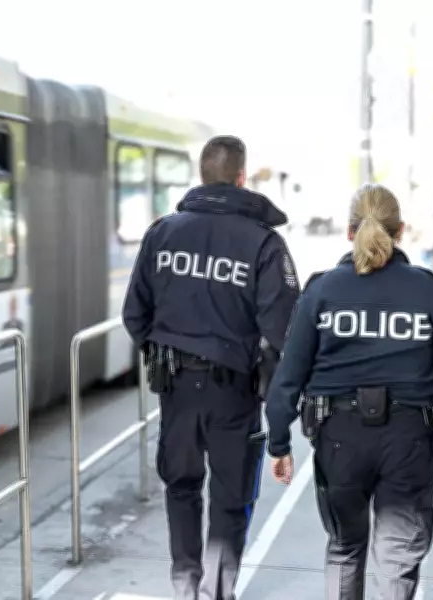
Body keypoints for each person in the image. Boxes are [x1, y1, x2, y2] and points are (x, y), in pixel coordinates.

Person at [265, 183, 433, 600]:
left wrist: (279, 443)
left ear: (349, 233)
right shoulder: (427, 290)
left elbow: (288, 376)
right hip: (409, 441)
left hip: (339, 440)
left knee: (346, 549)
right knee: (396, 560)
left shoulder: (322, 291)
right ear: (400, 230)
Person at [122, 135, 300, 600]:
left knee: (181, 487)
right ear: (242, 178)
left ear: (201, 177)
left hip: (175, 389)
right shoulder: (264, 243)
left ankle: (185, 588)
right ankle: (217, 593)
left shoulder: (163, 232)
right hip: (233, 393)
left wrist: (161, 352)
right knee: (230, 497)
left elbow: (134, 315)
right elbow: (287, 332)